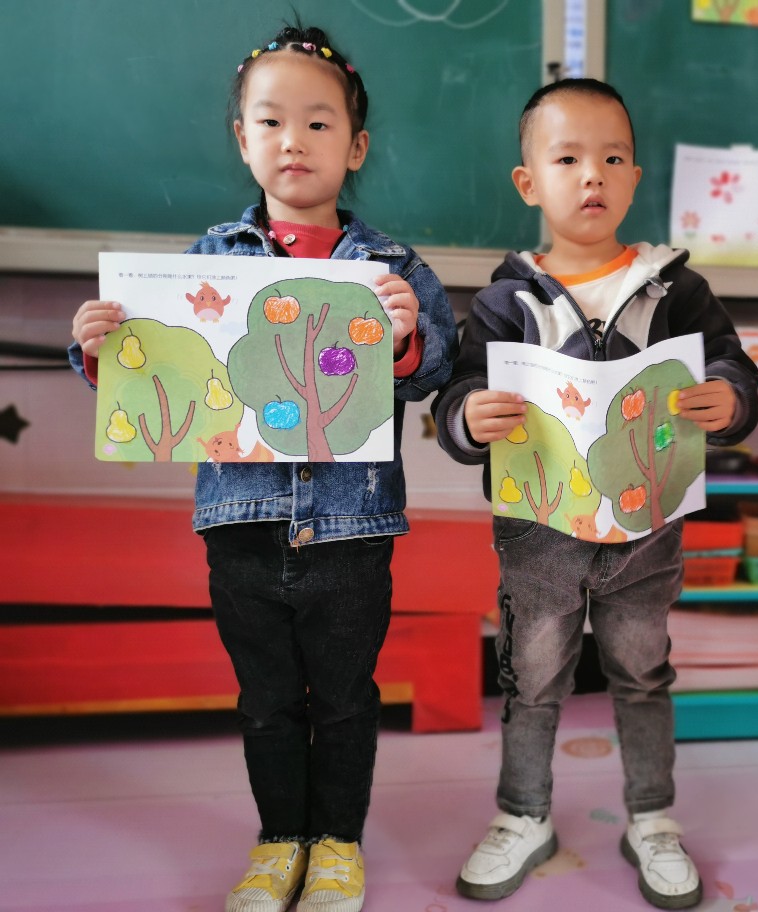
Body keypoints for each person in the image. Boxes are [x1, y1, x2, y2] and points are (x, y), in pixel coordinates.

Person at [69, 24, 457, 912]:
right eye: (272, 121)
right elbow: (158, 368)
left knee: (346, 697)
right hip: (239, 527)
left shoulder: (391, 269)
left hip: (353, 532)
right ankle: (281, 838)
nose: (294, 140)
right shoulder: (207, 263)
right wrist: (99, 350)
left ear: (356, 148)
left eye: (319, 123)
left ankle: (338, 845)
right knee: (265, 699)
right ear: (242, 139)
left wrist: (406, 338)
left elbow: (433, 371)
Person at [431, 78, 758, 909]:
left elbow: (731, 364)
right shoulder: (506, 299)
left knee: (643, 674)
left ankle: (652, 818)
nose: (592, 176)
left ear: (635, 178)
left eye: (613, 159)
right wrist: (469, 414)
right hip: (539, 536)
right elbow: (457, 397)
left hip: (648, 532)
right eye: (568, 158)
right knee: (532, 678)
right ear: (528, 182)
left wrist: (728, 398)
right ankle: (523, 814)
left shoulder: (674, 288)